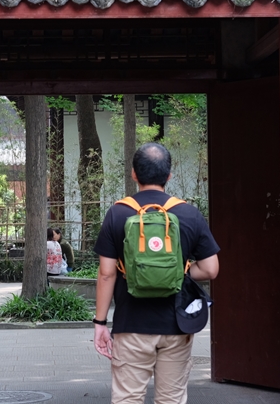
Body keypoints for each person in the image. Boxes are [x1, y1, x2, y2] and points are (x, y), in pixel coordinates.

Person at [93, 142, 220, 404]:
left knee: (127, 398)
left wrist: (100, 323)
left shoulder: (117, 213)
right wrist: (181, 272)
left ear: (134, 174)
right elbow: (210, 269)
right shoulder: (189, 213)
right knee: (171, 399)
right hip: (177, 325)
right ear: (169, 175)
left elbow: (106, 274)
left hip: (131, 325)